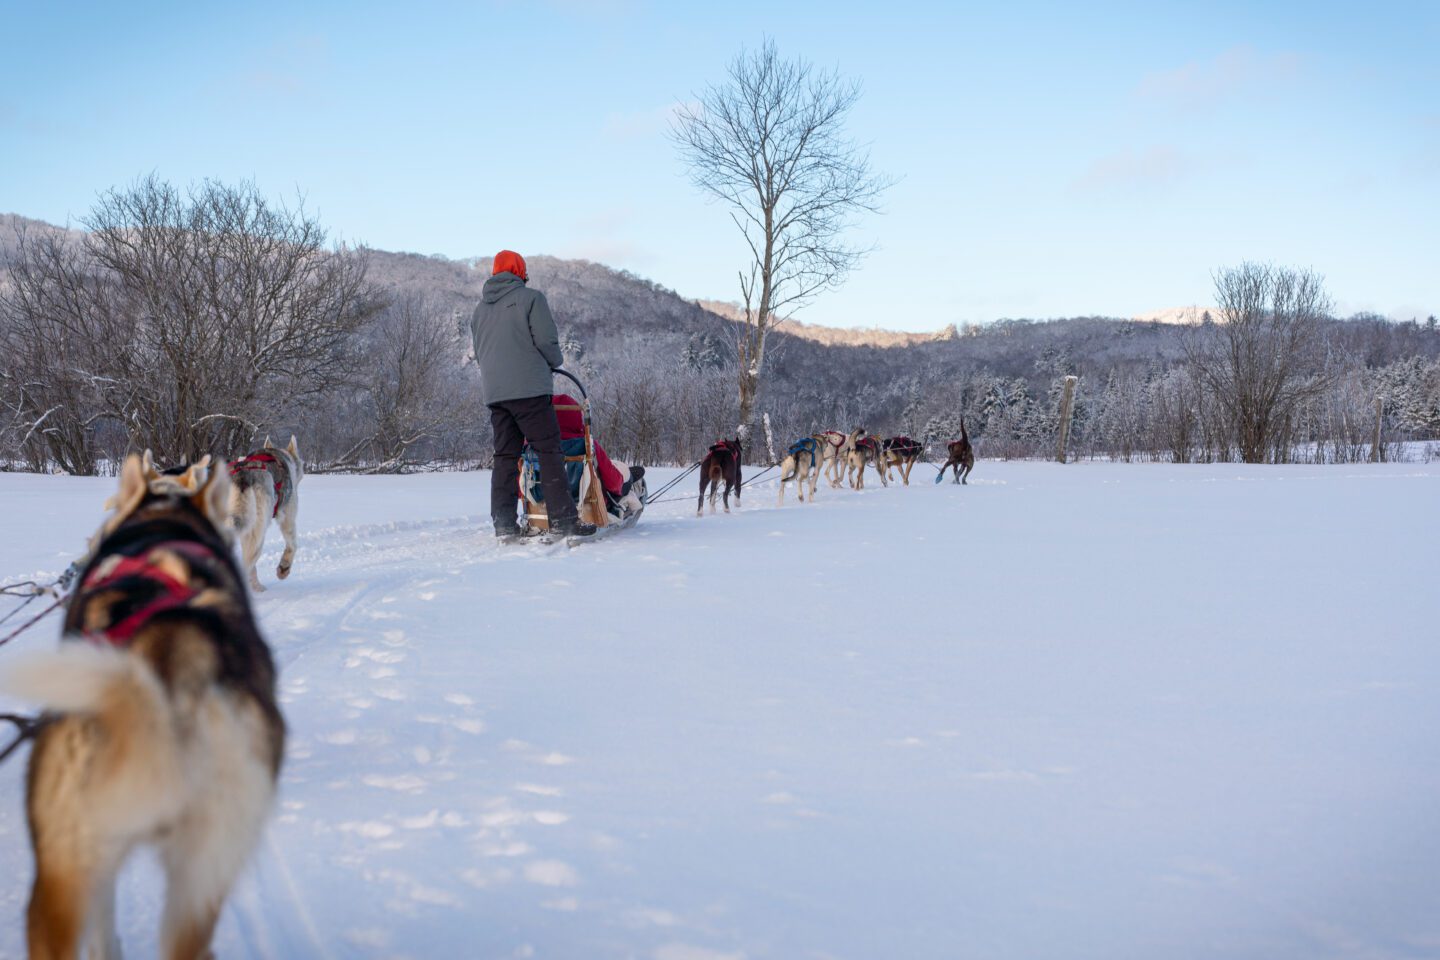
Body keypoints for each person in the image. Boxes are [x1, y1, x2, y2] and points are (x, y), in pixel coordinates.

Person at [471, 250, 595, 540]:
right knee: (549, 450)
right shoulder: (531, 299)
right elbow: (547, 341)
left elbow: (480, 354)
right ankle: (564, 521)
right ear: (519, 271)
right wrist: (554, 363)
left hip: (496, 394)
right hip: (529, 390)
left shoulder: (479, 310)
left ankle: (503, 524)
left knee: (505, 456)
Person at [550, 394, 645, 513]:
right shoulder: (586, 445)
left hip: (548, 498)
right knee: (621, 478)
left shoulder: (533, 448)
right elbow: (613, 482)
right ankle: (630, 480)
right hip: (586, 501)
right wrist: (621, 483)